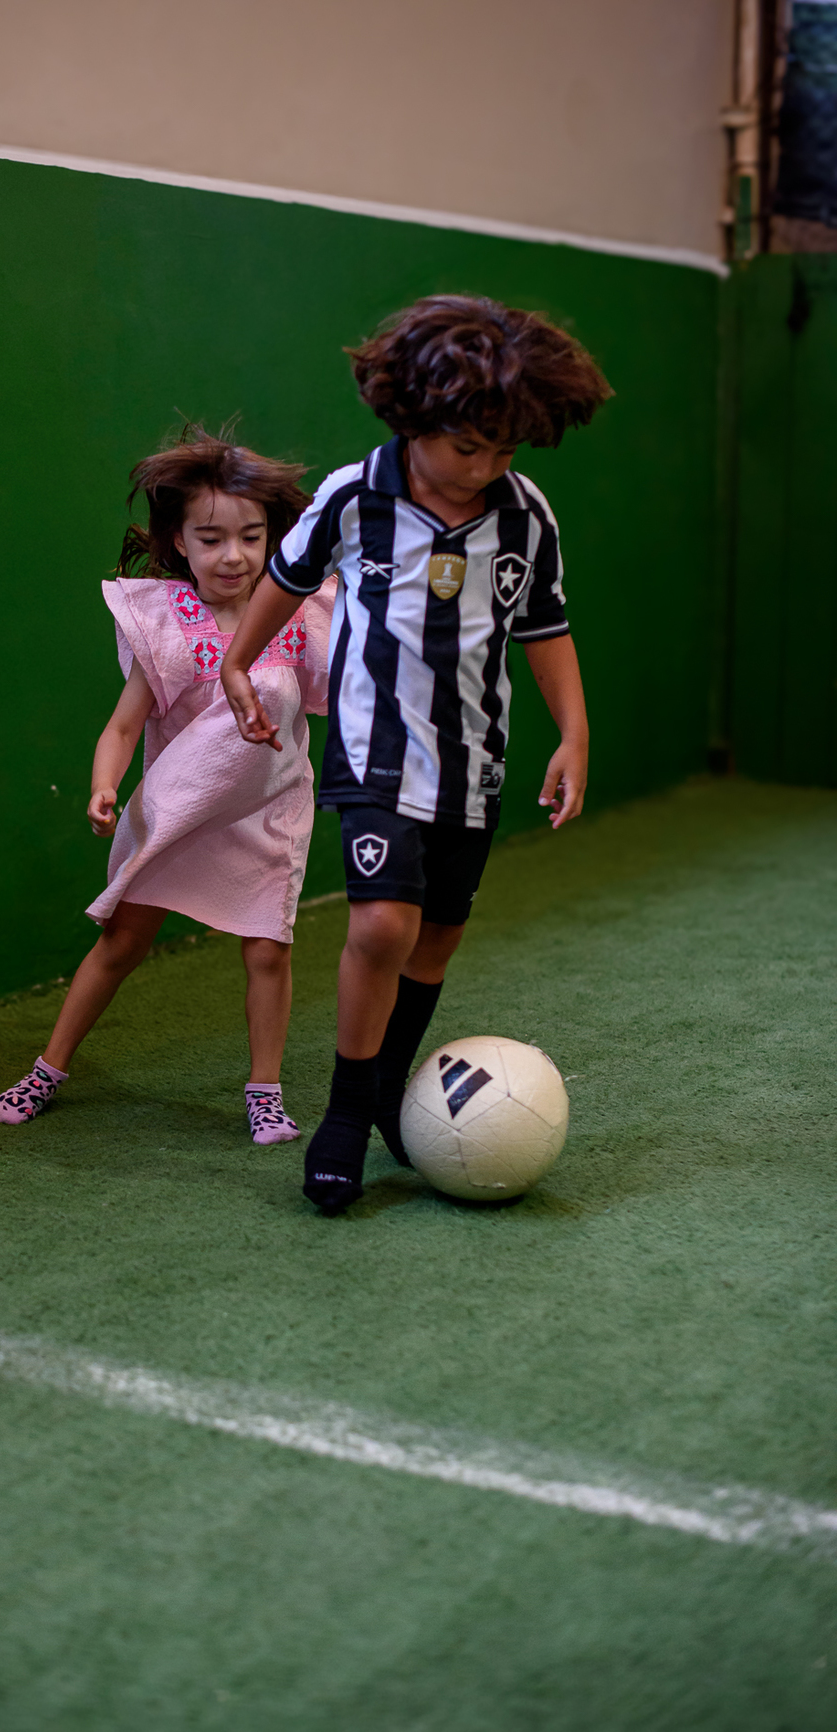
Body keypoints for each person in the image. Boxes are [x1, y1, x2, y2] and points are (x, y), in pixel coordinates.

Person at [220, 295, 612, 1213]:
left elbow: (545, 628)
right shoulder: (354, 496)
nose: (484, 468)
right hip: (375, 749)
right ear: (412, 417)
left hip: (474, 760)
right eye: (466, 447)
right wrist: (238, 662)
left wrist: (575, 732)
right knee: (382, 927)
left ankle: (393, 1095)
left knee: (436, 939)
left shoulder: (526, 516)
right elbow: (287, 579)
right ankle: (346, 1114)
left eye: (503, 451)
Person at [0, 430, 335, 1143]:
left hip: (269, 811)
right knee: (121, 944)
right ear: (179, 541)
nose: (233, 555)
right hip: (177, 812)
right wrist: (104, 786)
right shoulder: (167, 623)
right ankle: (47, 1070)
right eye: (211, 539)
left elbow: (347, 689)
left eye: (251, 537)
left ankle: (265, 1092)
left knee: (268, 949)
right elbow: (122, 728)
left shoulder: (299, 615)